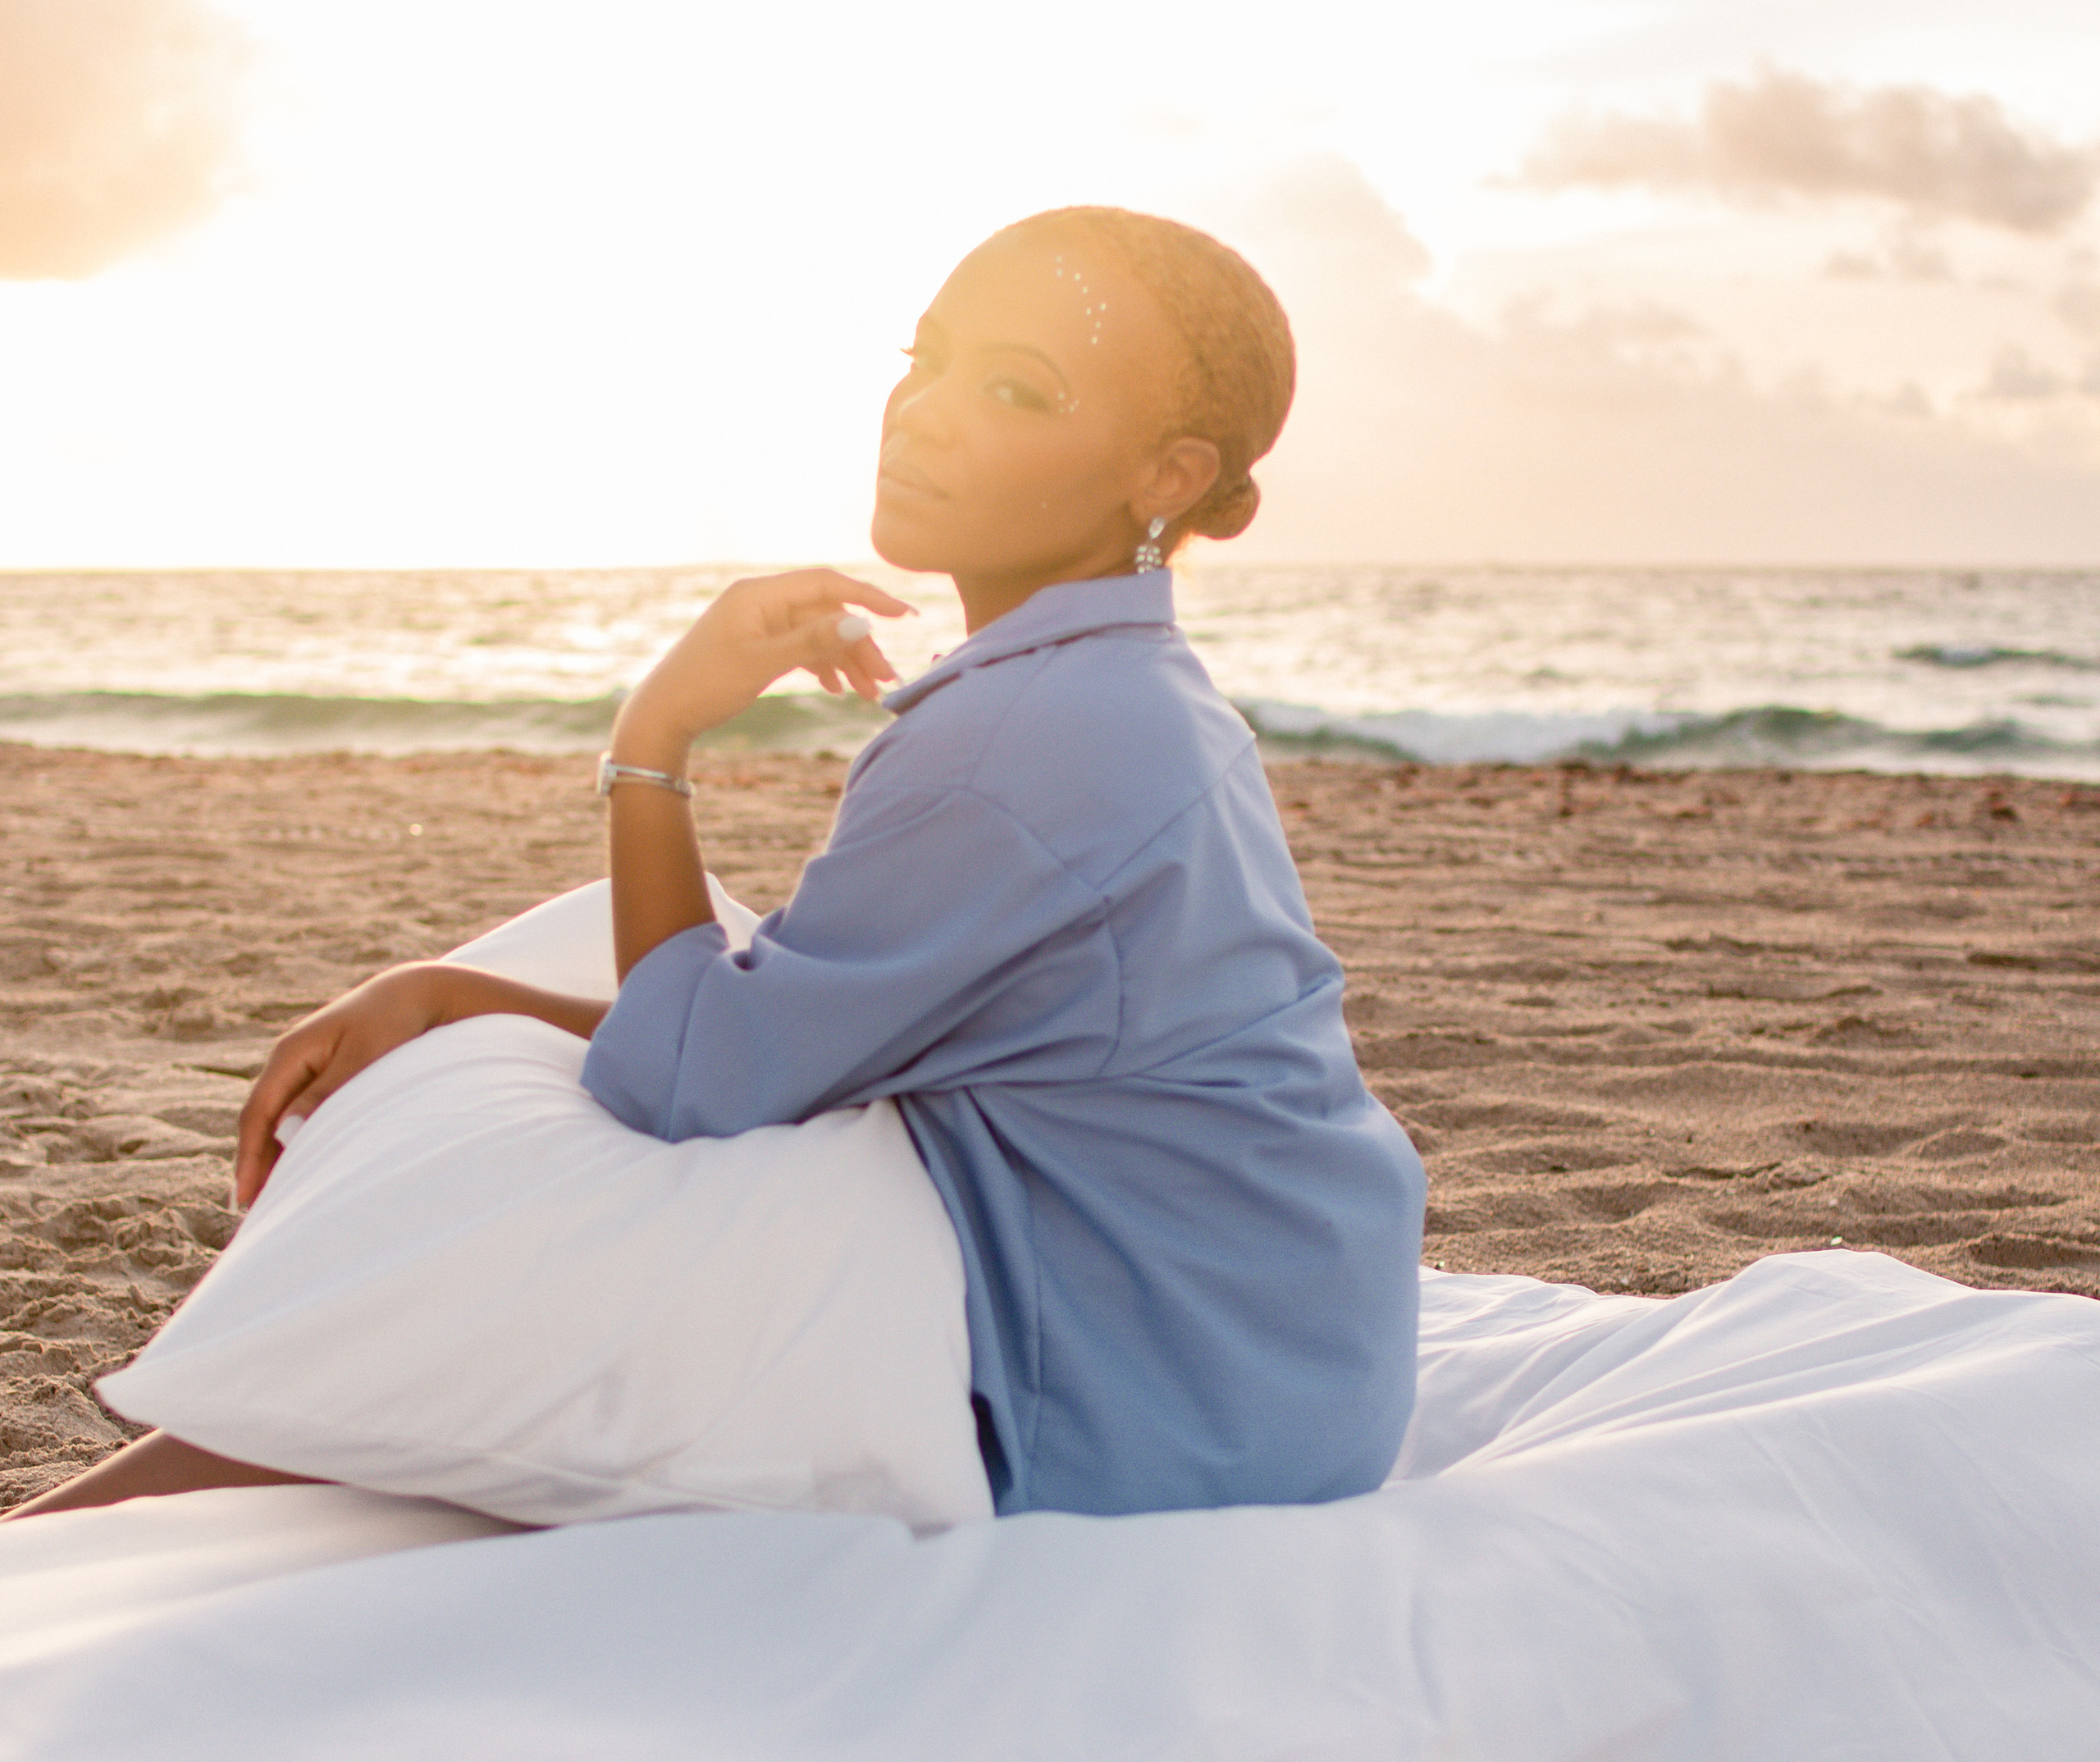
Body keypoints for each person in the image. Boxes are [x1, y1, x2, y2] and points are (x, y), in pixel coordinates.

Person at [16, 208, 1426, 1521]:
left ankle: (84, 1535)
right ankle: (142, 1500)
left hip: (1170, 1397)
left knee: (531, 1240)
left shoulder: (1024, 736)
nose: (925, 410)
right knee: (571, 964)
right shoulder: (1118, 682)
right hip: (1288, 1341)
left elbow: (688, 1080)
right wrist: (459, 991)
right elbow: (801, 1033)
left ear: (1167, 477)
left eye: (1015, 390)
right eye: (926, 359)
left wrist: (656, 733)